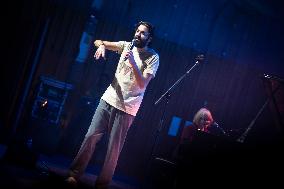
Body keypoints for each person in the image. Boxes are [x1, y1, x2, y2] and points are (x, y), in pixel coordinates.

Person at [65, 21, 159, 189]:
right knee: (90, 137)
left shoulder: (153, 57)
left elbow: (143, 83)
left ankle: (102, 184)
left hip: (128, 108)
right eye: (137, 31)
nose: (138, 34)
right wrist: (101, 46)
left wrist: (133, 63)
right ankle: (74, 174)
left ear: (149, 38)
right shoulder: (125, 46)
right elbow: (98, 41)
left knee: (113, 150)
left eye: (143, 33)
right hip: (108, 99)